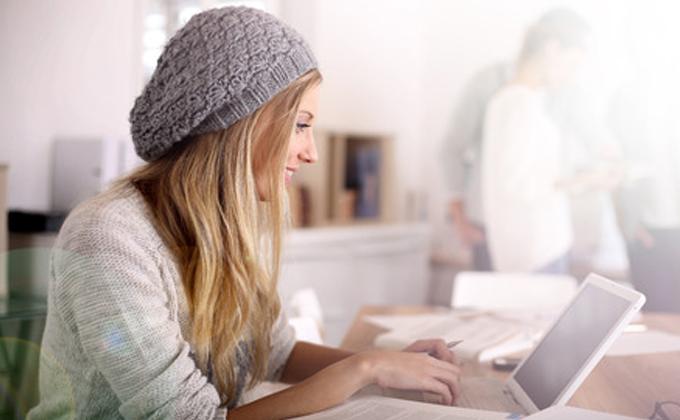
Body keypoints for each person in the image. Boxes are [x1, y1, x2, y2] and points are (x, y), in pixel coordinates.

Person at [28, 7, 460, 420]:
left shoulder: (224, 222)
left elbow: (276, 352)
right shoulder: (107, 240)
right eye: (301, 125)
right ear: (241, 124)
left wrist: (385, 363)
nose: (310, 153)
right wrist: (363, 372)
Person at [481, 9, 592, 273]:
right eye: (573, 65)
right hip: (537, 249)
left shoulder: (514, 101)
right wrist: (580, 181)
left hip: (533, 247)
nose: (572, 76)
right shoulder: (519, 104)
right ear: (553, 49)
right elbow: (518, 184)